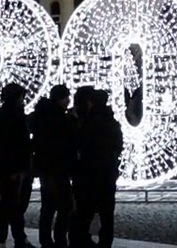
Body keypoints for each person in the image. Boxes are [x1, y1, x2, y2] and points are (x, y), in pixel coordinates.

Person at [71, 88, 124, 248]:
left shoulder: (86, 122)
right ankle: (105, 242)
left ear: (91, 102)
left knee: (85, 210)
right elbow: (118, 145)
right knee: (107, 213)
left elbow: (79, 144)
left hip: (88, 172)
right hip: (107, 172)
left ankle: (80, 240)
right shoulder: (112, 122)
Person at [31, 84, 76, 248]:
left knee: (48, 206)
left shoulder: (42, 114)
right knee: (65, 206)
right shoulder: (58, 118)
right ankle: (59, 238)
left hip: (44, 166)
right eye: (66, 97)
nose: (68, 101)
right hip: (57, 166)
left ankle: (46, 240)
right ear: (60, 98)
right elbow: (65, 140)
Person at [0, 83, 33, 247]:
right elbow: (18, 144)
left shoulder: (0, 115)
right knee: (14, 205)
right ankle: (17, 238)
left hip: (9, 167)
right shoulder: (15, 117)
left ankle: (3, 237)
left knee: (8, 204)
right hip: (15, 169)